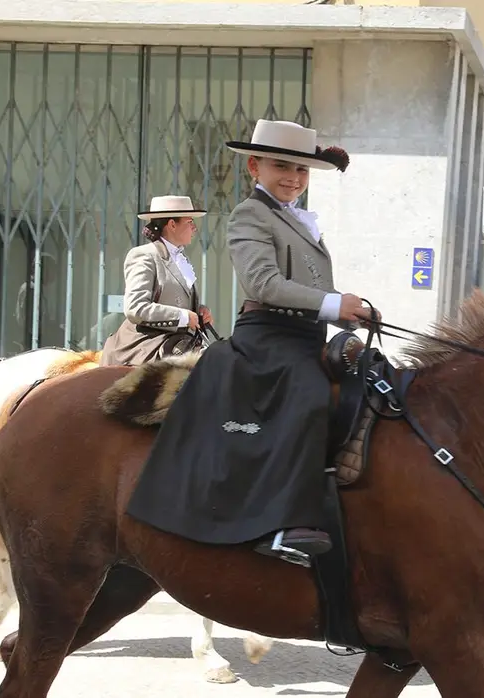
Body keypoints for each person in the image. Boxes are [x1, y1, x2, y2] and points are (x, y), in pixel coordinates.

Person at [124, 120, 364, 566]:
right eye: (281, 166)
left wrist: (353, 309)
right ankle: (283, 525)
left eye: (302, 170)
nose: (293, 178)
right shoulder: (249, 214)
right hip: (271, 335)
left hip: (307, 334)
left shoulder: (298, 218)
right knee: (310, 392)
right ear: (255, 165)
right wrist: (335, 304)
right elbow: (264, 283)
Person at [99, 195, 212, 366]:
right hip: (146, 344)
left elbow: (175, 299)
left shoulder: (181, 259)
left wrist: (199, 311)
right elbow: (135, 308)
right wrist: (182, 316)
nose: (194, 228)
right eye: (189, 222)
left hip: (176, 340)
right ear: (172, 225)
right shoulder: (143, 255)